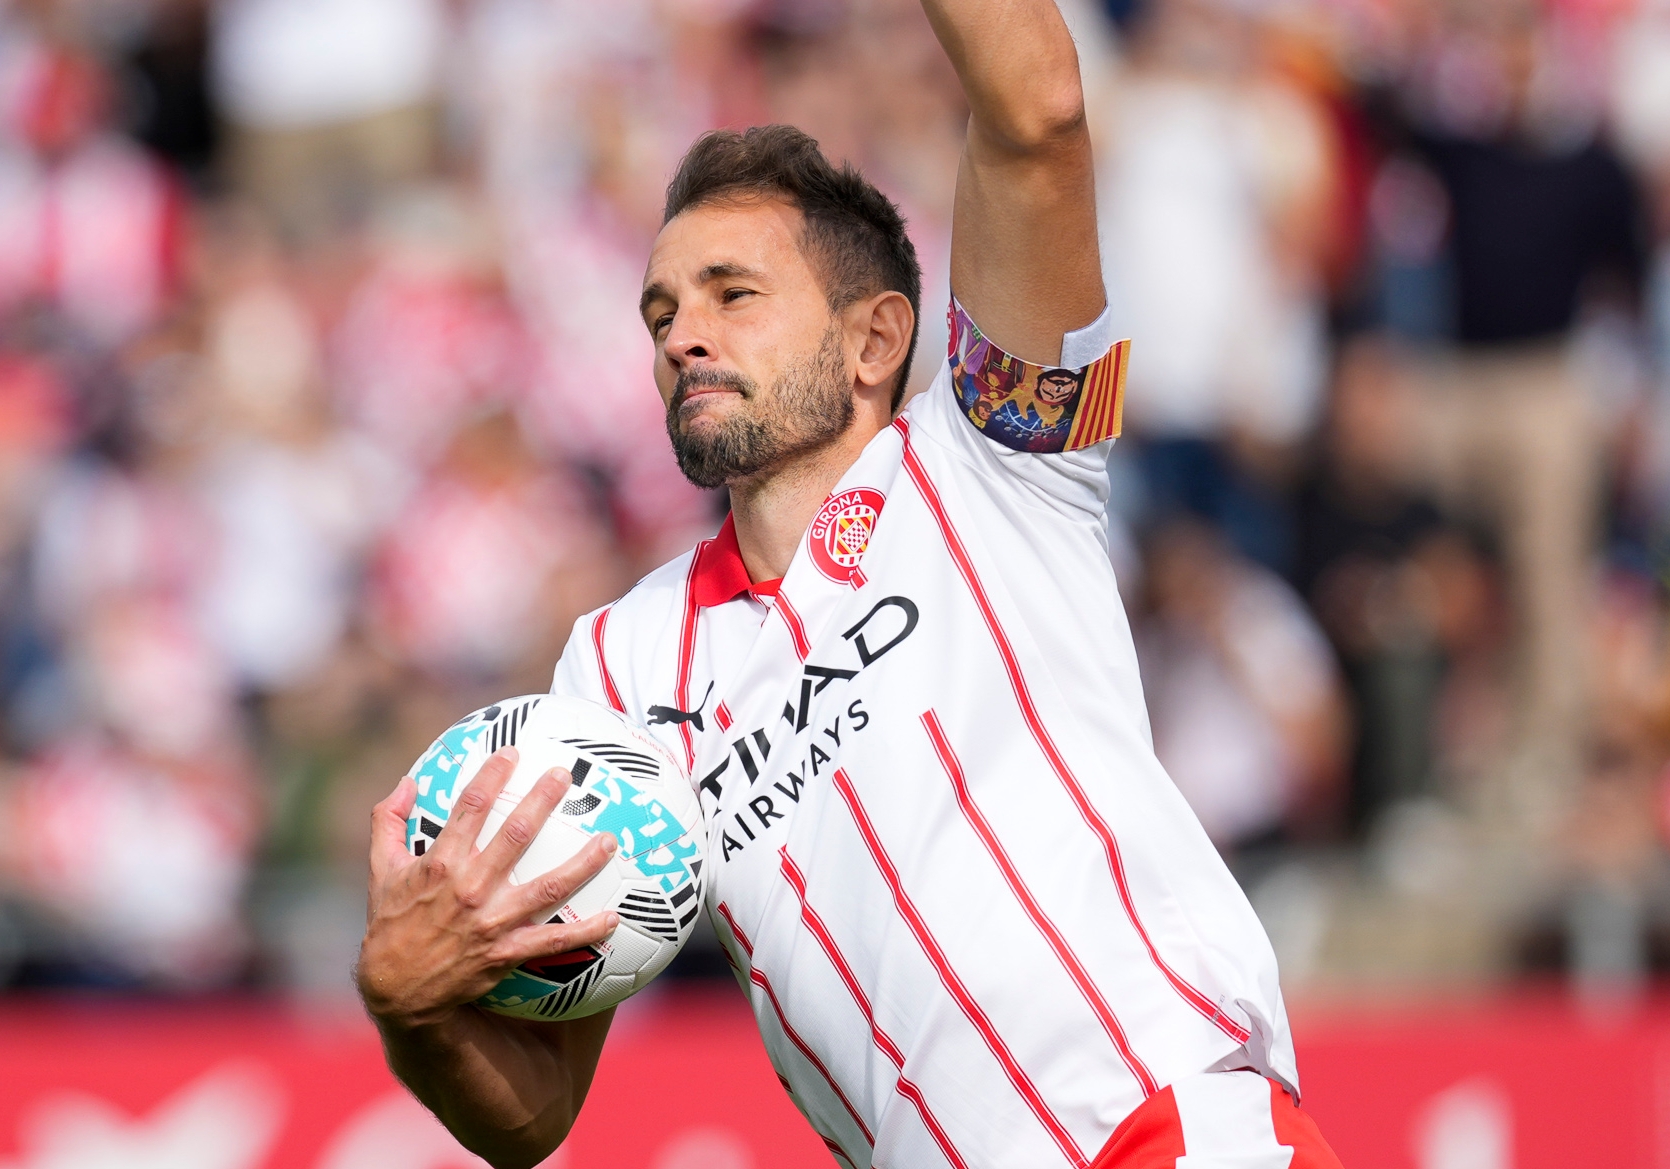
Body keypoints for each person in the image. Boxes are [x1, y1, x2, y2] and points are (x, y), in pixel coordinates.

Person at [353, 2, 1343, 1166]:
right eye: (661, 311)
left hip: (1163, 1132)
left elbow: (1038, 111)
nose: (680, 336)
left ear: (875, 340)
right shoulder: (616, 667)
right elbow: (534, 1116)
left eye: (732, 294)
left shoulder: (993, 461)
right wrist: (413, 1008)